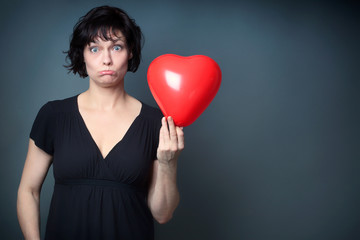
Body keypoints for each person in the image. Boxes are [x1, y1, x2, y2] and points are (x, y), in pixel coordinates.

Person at [17, 5, 184, 240]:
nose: (106, 59)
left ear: (131, 52)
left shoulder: (155, 121)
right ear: (82, 55)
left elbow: (163, 214)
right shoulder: (54, 115)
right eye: (94, 49)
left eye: (116, 47)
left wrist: (169, 163)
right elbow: (29, 191)